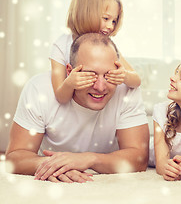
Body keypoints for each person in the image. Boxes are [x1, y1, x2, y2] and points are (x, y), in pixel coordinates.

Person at [5, 33, 149, 183]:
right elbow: (15, 157)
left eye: (109, 75)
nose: (100, 87)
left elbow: (139, 159)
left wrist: (88, 159)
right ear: (69, 71)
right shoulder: (39, 89)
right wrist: (54, 165)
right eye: (90, 75)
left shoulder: (127, 90)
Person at [50, 0, 141, 104]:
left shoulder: (106, 46)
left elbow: (136, 81)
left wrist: (125, 76)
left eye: (114, 21)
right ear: (86, 12)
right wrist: (70, 83)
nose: (110, 26)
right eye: (106, 19)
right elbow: (61, 98)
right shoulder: (61, 46)